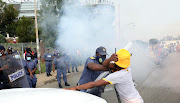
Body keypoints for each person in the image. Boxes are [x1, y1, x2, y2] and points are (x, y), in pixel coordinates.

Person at [66, 49, 144, 103]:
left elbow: (94, 84)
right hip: (136, 99)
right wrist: (110, 59)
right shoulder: (126, 68)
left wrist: (76, 87)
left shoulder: (118, 75)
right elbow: (105, 64)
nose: (103, 57)